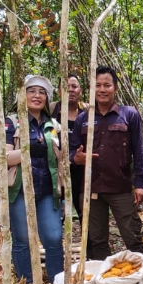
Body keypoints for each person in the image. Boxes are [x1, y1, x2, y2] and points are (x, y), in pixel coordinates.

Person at [71, 65, 143, 260]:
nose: (102, 89)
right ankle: (103, 283)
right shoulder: (83, 119)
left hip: (120, 187)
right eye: (97, 85)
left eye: (107, 85)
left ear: (116, 88)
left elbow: (139, 150)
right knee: (96, 240)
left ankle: (141, 281)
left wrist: (140, 184)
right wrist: (75, 158)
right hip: (91, 188)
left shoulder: (129, 115)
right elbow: (72, 151)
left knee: (132, 236)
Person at [5, 75, 65, 284]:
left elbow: (61, 158)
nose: (37, 96)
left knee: (54, 238)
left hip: (48, 190)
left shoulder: (53, 124)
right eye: (32, 91)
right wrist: (28, 151)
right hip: (19, 190)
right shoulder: (12, 122)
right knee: (22, 240)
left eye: (42, 92)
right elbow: (3, 158)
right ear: (23, 95)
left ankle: (58, 283)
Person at [52, 74, 88, 224]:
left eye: (74, 86)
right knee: (56, 214)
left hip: (82, 170)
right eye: (66, 87)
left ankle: (89, 247)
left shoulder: (88, 112)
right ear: (59, 91)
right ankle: (55, 246)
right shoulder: (51, 110)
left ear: (80, 90)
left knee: (85, 212)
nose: (71, 90)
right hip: (56, 169)